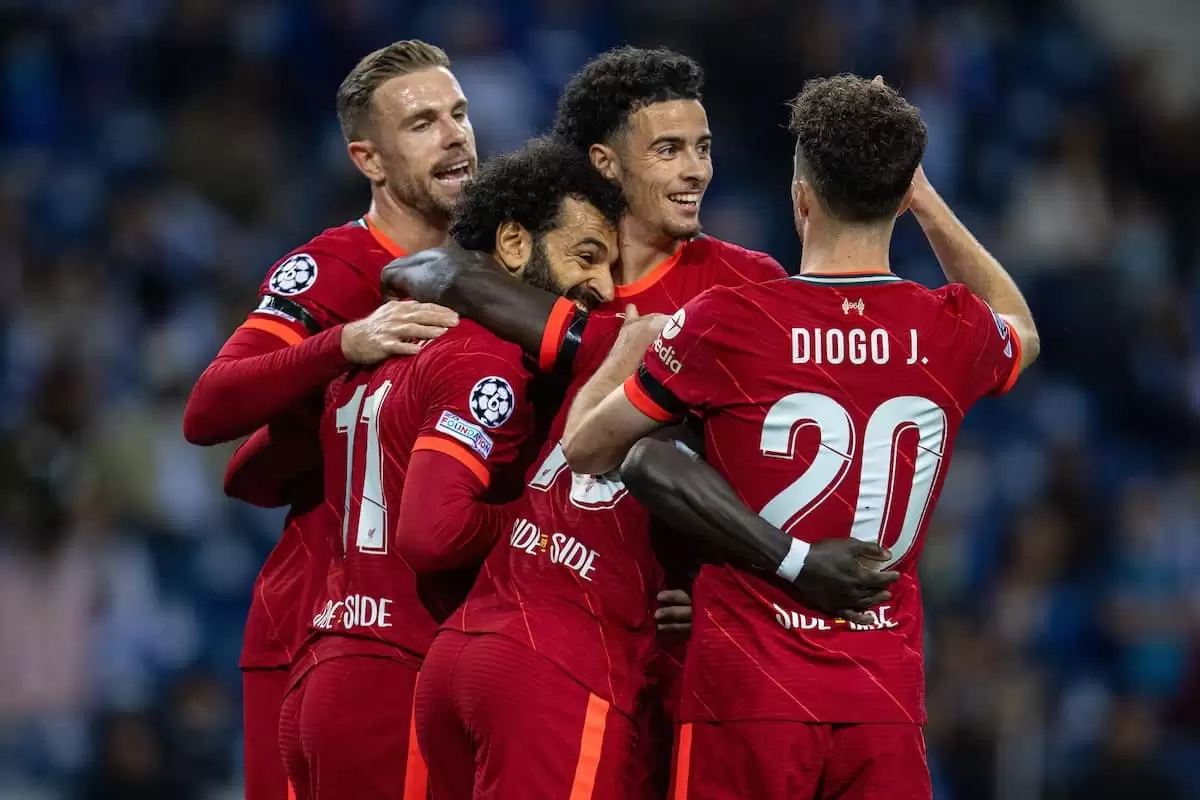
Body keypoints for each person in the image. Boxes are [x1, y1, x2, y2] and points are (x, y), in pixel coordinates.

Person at [388, 51, 898, 800]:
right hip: (550, 644)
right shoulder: (560, 269)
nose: (696, 171)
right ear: (607, 161)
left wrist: (723, 581)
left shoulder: (747, 287)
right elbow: (436, 285)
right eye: (668, 150)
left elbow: (787, 466)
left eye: (703, 148)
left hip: (671, 660)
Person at [560, 75, 1041, 799]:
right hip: (882, 699)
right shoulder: (952, 329)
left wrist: (627, 352)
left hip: (747, 692)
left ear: (802, 198)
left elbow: (589, 449)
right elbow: (1023, 328)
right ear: (899, 197)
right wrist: (926, 200)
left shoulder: (729, 320)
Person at [277, 138, 623, 800]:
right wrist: (538, 521)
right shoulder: (484, 358)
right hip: (396, 677)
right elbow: (433, 533)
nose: (604, 288)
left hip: (323, 663)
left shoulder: (385, 339)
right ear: (514, 243)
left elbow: (250, 470)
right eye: (586, 257)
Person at [181, 40, 470, 800]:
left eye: (458, 114)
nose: (454, 136)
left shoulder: (499, 273)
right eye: (422, 124)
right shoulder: (338, 265)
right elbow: (208, 407)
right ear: (367, 159)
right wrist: (343, 343)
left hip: (439, 632)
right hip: (315, 625)